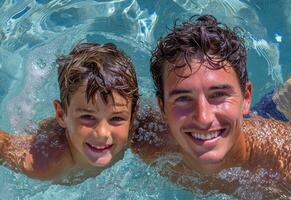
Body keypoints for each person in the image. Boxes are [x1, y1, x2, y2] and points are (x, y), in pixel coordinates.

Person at [131, 15, 290, 196]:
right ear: (162, 107)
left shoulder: (282, 168)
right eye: (183, 98)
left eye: (219, 95)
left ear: (246, 97)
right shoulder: (146, 139)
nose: (203, 118)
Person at [0, 42, 139, 185]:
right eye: (88, 117)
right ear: (61, 115)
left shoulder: (140, 135)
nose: (102, 133)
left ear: (133, 115)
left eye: (116, 118)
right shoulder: (44, 162)